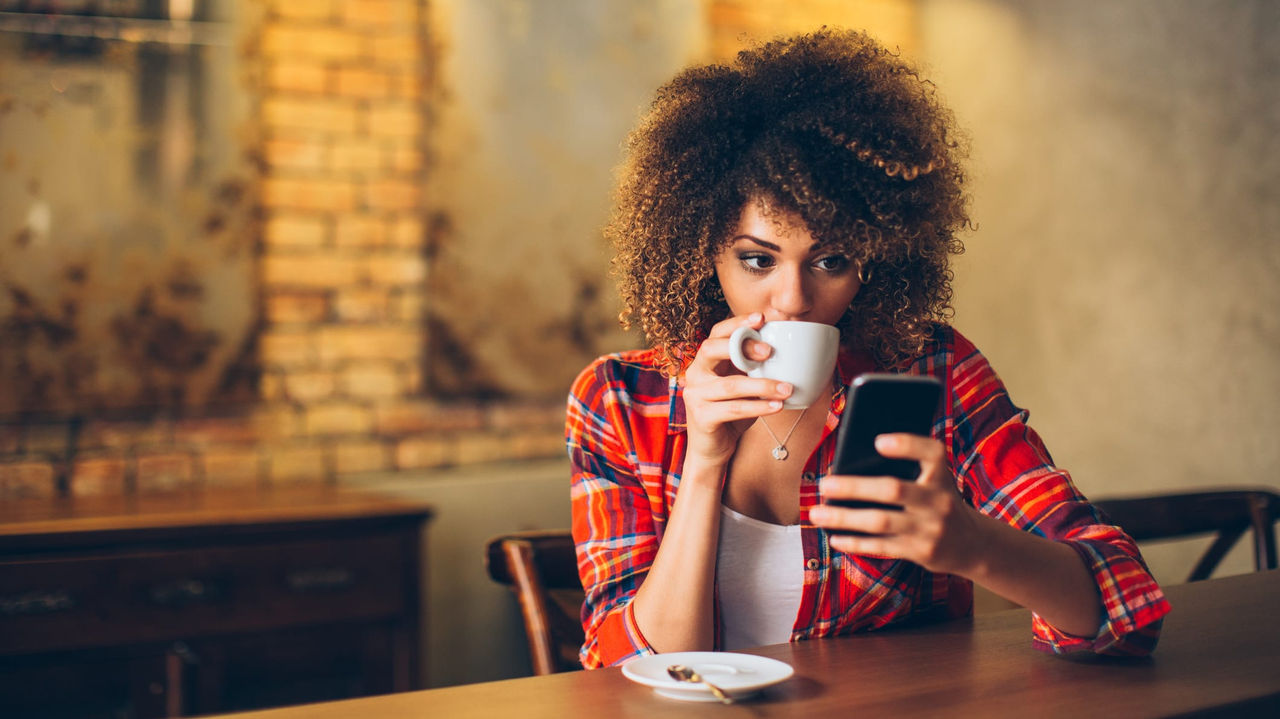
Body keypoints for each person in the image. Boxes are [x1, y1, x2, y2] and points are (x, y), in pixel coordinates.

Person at [565, 28, 1169, 669]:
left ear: (875, 260)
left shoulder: (929, 370)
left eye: (830, 259)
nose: (793, 298)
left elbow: (1126, 612)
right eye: (756, 259)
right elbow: (628, 672)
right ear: (701, 249)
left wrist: (971, 545)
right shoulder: (622, 401)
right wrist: (705, 464)